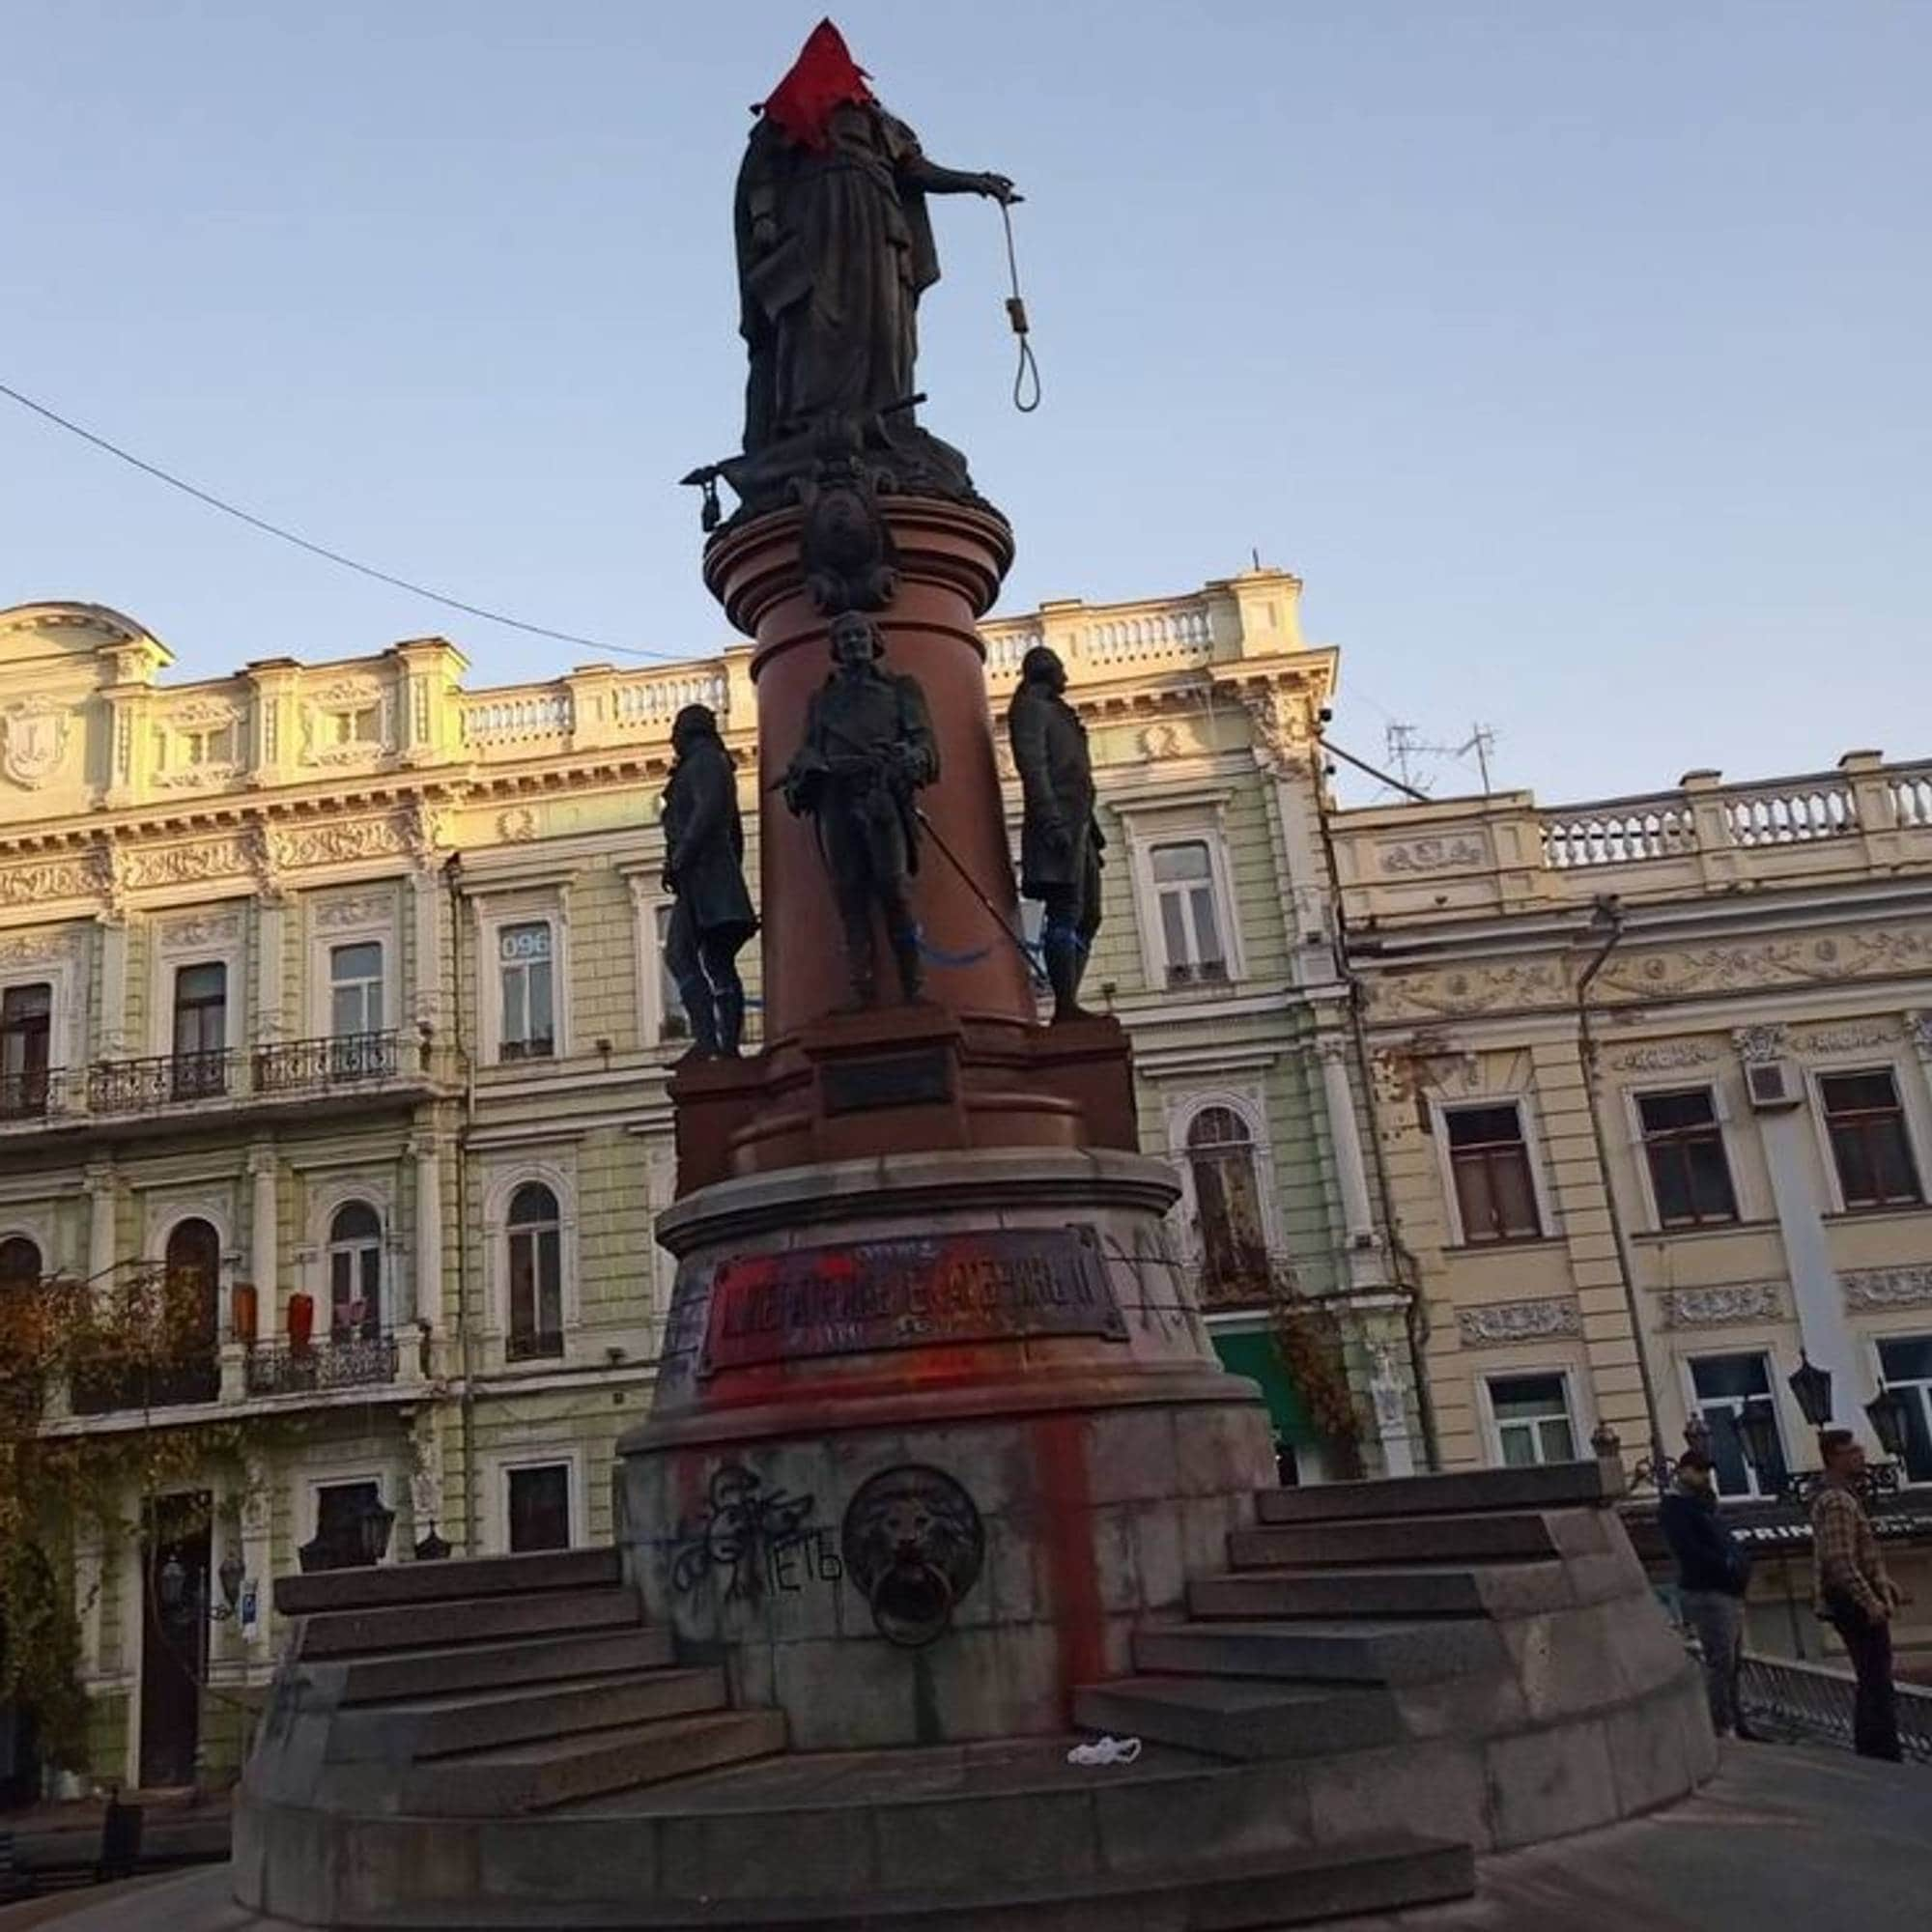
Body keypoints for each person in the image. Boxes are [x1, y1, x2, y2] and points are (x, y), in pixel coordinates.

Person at [735, 20, 1018, 454]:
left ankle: (887, 414)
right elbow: (762, 174)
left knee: (883, 319)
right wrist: (763, 220)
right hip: (816, 220)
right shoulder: (787, 111)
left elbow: (916, 170)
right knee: (817, 315)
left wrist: (976, 182)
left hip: (877, 221)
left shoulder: (879, 119)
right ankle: (808, 419)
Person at [781, 612, 938, 1007]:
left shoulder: (901, 689)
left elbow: (927, 748)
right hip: (836, 797)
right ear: (836, 648)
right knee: (848, 894)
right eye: (846, 638)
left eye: (860, 635)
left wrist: (909, 758)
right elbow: (809, 746)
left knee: (895, 888)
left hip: (881, 793)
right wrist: (806, 768)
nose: (854, 643)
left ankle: (914, 983)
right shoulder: (823, 701)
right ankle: (862, 990)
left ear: (874, 638)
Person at [1008, 645, 1104, 1023]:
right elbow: (1033, 767)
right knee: (1066, 911)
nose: (1066, 675)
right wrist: (1051, 820)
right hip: (1059, 824)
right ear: (1046, 671)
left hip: (1081, 825)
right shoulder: (1032, 710)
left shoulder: (1060, 713)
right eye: (1061, 668)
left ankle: (1071, 998)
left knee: (1090, 915)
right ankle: (1065, 1003)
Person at [661, 704, 757, 1057]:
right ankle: (717, 1044)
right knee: (709, 959)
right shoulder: (704, 763)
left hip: (706, 875)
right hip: (703, 876)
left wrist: (682, 854)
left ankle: (714, 1043)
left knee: (686, 955)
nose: (672, 739)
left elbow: (708, 810)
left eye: (676, 730)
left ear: (688, 731)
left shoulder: (704, 761)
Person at [1811, 1427, 1908, 1761]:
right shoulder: (1838, 1500)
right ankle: (1879, 1750)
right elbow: (1840, 1559)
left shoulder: (1842, 1497)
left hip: (1851, 1600)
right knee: (1875, 1676)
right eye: (1853, 1451)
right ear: (1835, 1457)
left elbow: (1857, 1555)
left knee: (1873, 1674)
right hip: (1852, 1603)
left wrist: (1885, 1586)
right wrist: (1869, 1601)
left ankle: (1876, 1746)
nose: (1862, 1455)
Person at [1658, 1449, 1754, 1738]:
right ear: (1683, 1471)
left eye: (1706, 1471)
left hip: (1726, 1590)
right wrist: (1725, 1564)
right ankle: (1721, 1726)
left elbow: (1722, 1538)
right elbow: (1690, 1550)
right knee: (1721, 1661)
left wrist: (1737, 1563)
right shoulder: (1675, 1507)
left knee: (1733, 1662)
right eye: (1698, 1471)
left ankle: (1736, 1721)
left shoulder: (1703, 1504)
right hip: (1707, 1591)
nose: (1704, 1476)